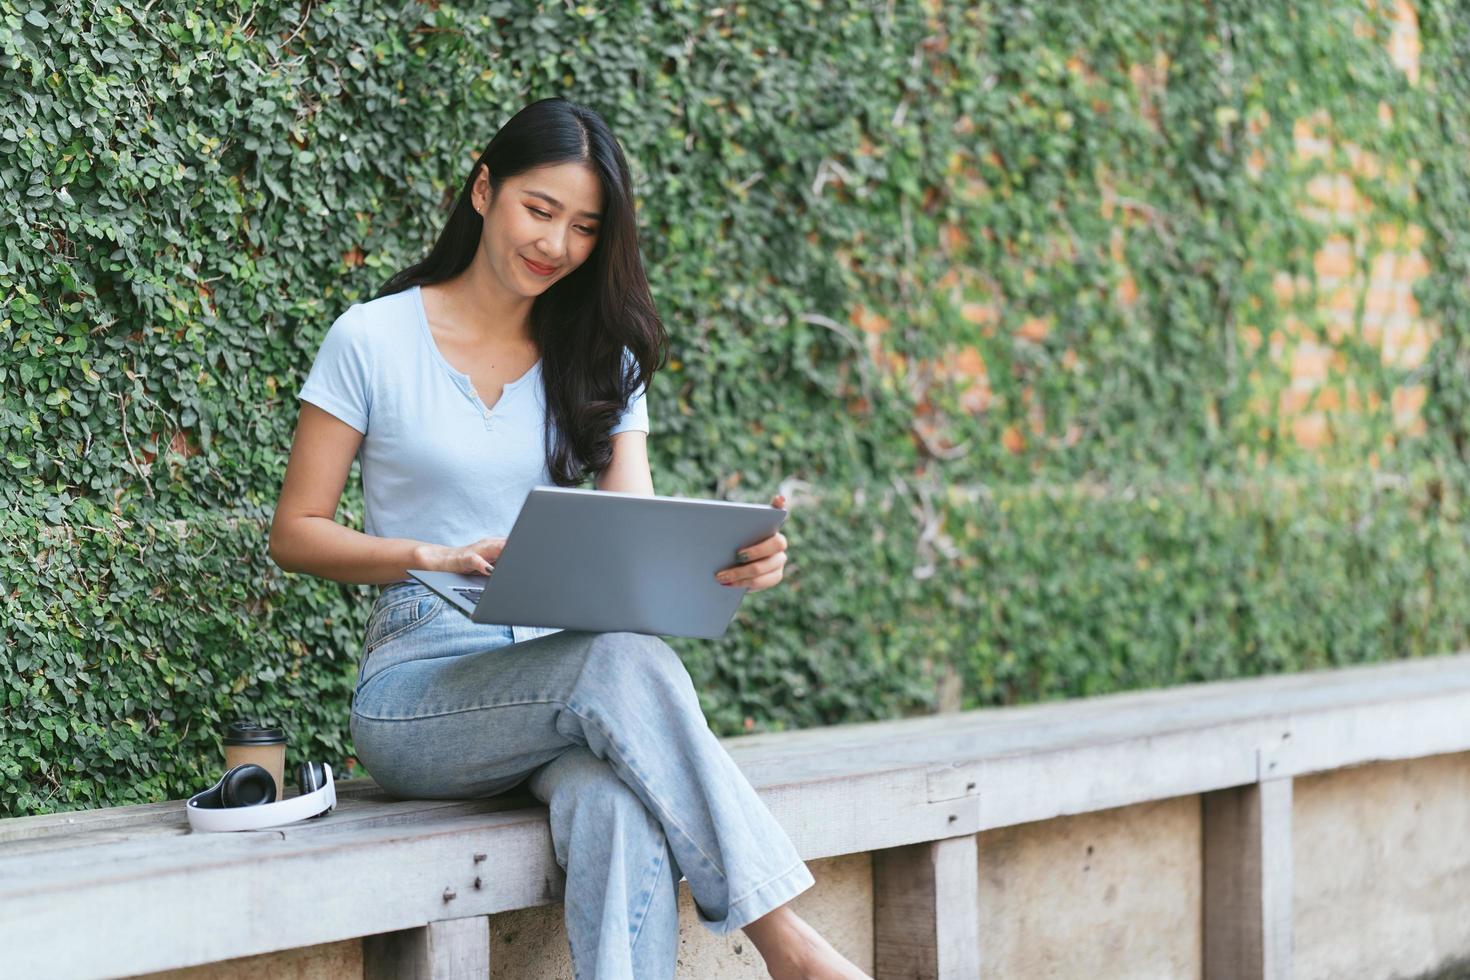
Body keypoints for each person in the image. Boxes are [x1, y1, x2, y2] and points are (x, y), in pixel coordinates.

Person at [268, 97, 870, 980]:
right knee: (619, 664)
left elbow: (632, 542)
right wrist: (429, 554)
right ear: (484, 190)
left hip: (569, 686)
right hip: (422, 688)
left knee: (616, 803)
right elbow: (295, 533)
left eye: (584, 226)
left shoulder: (603, 356)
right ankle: (788, 945)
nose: (556, 244)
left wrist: (732, 562)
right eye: (539, 210)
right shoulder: (372, 337)